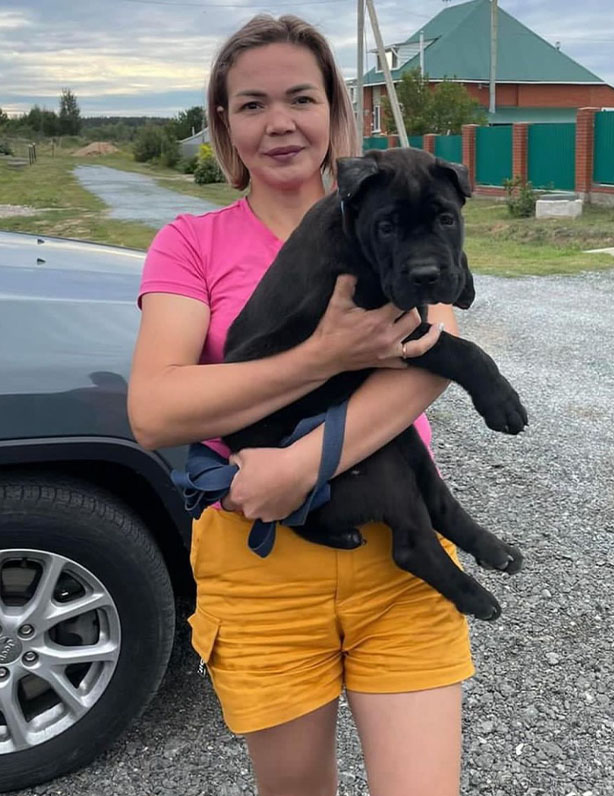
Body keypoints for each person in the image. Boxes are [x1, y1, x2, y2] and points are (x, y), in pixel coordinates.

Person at [127, 13, 474, 796]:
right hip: (259, 571)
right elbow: (155, 410)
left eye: (300, 98)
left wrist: (302, 462)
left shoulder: (396, 207)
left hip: (402, 555)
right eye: (251, 104)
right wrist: (327, 355)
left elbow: (429, 362)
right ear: (224, 123)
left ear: (334, 108)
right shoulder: (191, 243)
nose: (279, 123)